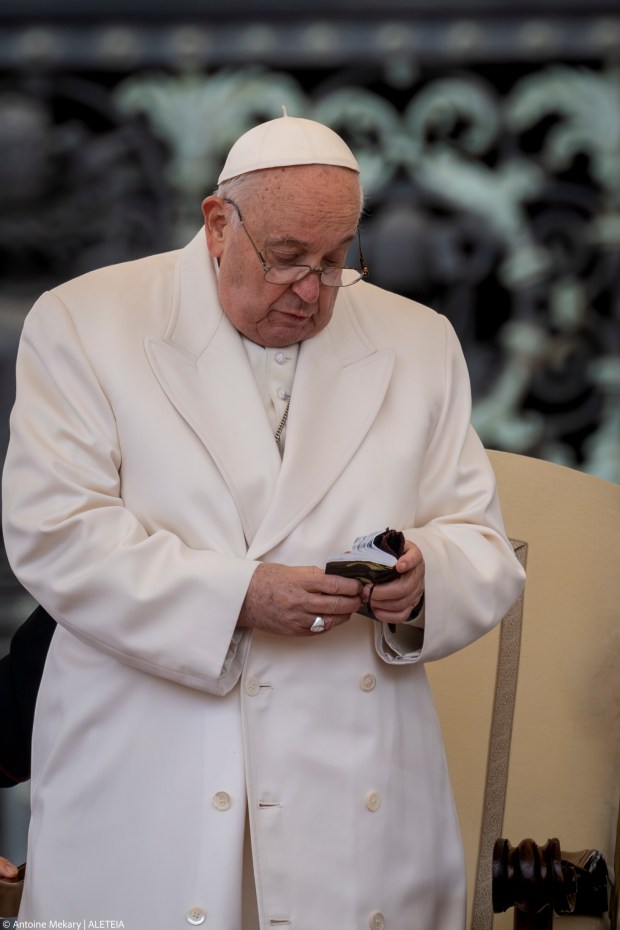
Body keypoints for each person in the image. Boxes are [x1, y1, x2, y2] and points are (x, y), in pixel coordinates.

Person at [2, 113, 525, 929]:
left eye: (335, 260)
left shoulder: (422, 340)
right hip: (150, 775)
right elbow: (56, 533)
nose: (313, 292)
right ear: (219, 225)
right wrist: (238, 596)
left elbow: (481, 541)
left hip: (354, 790)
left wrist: (426, 579)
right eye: (287, 260)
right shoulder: (83, 322)